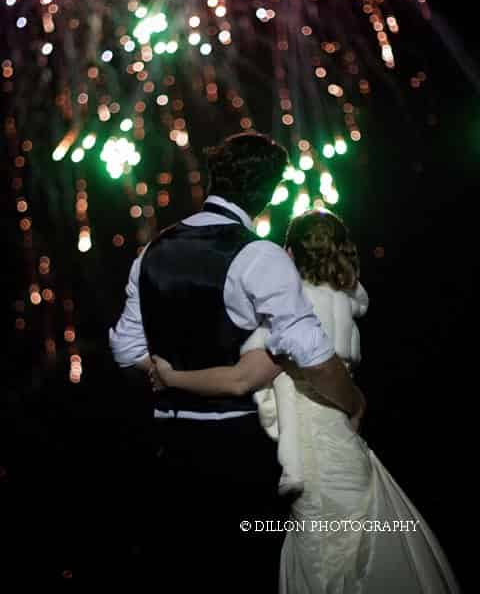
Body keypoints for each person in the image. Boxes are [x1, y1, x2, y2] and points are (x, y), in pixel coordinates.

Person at [152, 208, 461, 594]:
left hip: (316, 465)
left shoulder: (292, 316)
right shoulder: (345, 304)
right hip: (349, 454)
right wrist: (355, 404)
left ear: (290, 255)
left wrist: (172, 377)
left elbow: (240, 379)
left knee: (328, 568)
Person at [109, 134, 365, 592]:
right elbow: (311, 353)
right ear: (267, 193)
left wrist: (171, 379)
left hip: (164, 443)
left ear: (213, 178)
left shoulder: (152, 251)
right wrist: (354, 401)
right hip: (235, 448)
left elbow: (127, 349)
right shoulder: (258, 254)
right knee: (245, 569)